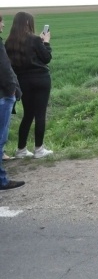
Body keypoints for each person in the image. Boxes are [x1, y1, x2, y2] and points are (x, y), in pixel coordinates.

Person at [5, 12, 54, 159]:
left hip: (22, 81)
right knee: (40, 114)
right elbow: (46, 58)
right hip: (41, 80)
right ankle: (39, 150)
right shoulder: (34, 39)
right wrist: (45, 42)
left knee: (28, 115)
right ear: (27, 23)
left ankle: (21, 150)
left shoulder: (9, 42)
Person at [0, 17, 23, 189]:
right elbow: (4, 69)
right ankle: (1, 180)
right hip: (2, 96)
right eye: (0, 21)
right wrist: (12, 90)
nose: (3, 24)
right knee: (1, 138)